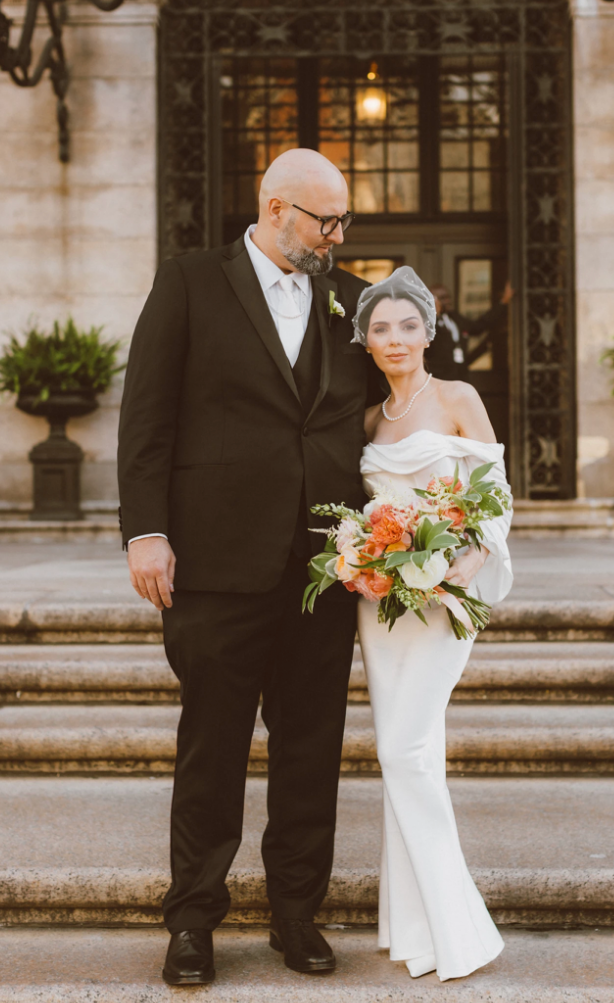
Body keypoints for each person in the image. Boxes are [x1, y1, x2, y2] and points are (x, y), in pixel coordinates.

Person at [118, 149, 380, 985]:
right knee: (212, 745)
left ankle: (295, 913)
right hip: (214, 563)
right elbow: (147, 414)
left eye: (342, 220)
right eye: (325, 221)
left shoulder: (350, 300)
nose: (337, 236)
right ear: (274, 209)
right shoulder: (190, 282)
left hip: (323, 567)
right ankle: (192, 918)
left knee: (311, 749)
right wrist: (145, 531)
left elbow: (387, 409)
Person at [353, 266, 513, 981]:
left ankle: (459, 928)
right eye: (381, 328)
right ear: (366, 341)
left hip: (445, 599)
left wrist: (469, 561)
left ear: (428, 331)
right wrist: (362, 558)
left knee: (403, 751)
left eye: (407, 326)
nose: (395, 338)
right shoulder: (367, 420)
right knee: (413, 753)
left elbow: (494, 491)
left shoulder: (457, 398)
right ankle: (416, 932)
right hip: (382, 608)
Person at [424, 281, 513, 382]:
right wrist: (434, 315)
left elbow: (478, 327)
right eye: (442, 298)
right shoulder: (427, 322)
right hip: (438, 379)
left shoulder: (454, 317)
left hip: (460, 377)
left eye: (448, 297)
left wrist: (503, 302)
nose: (447, 301)